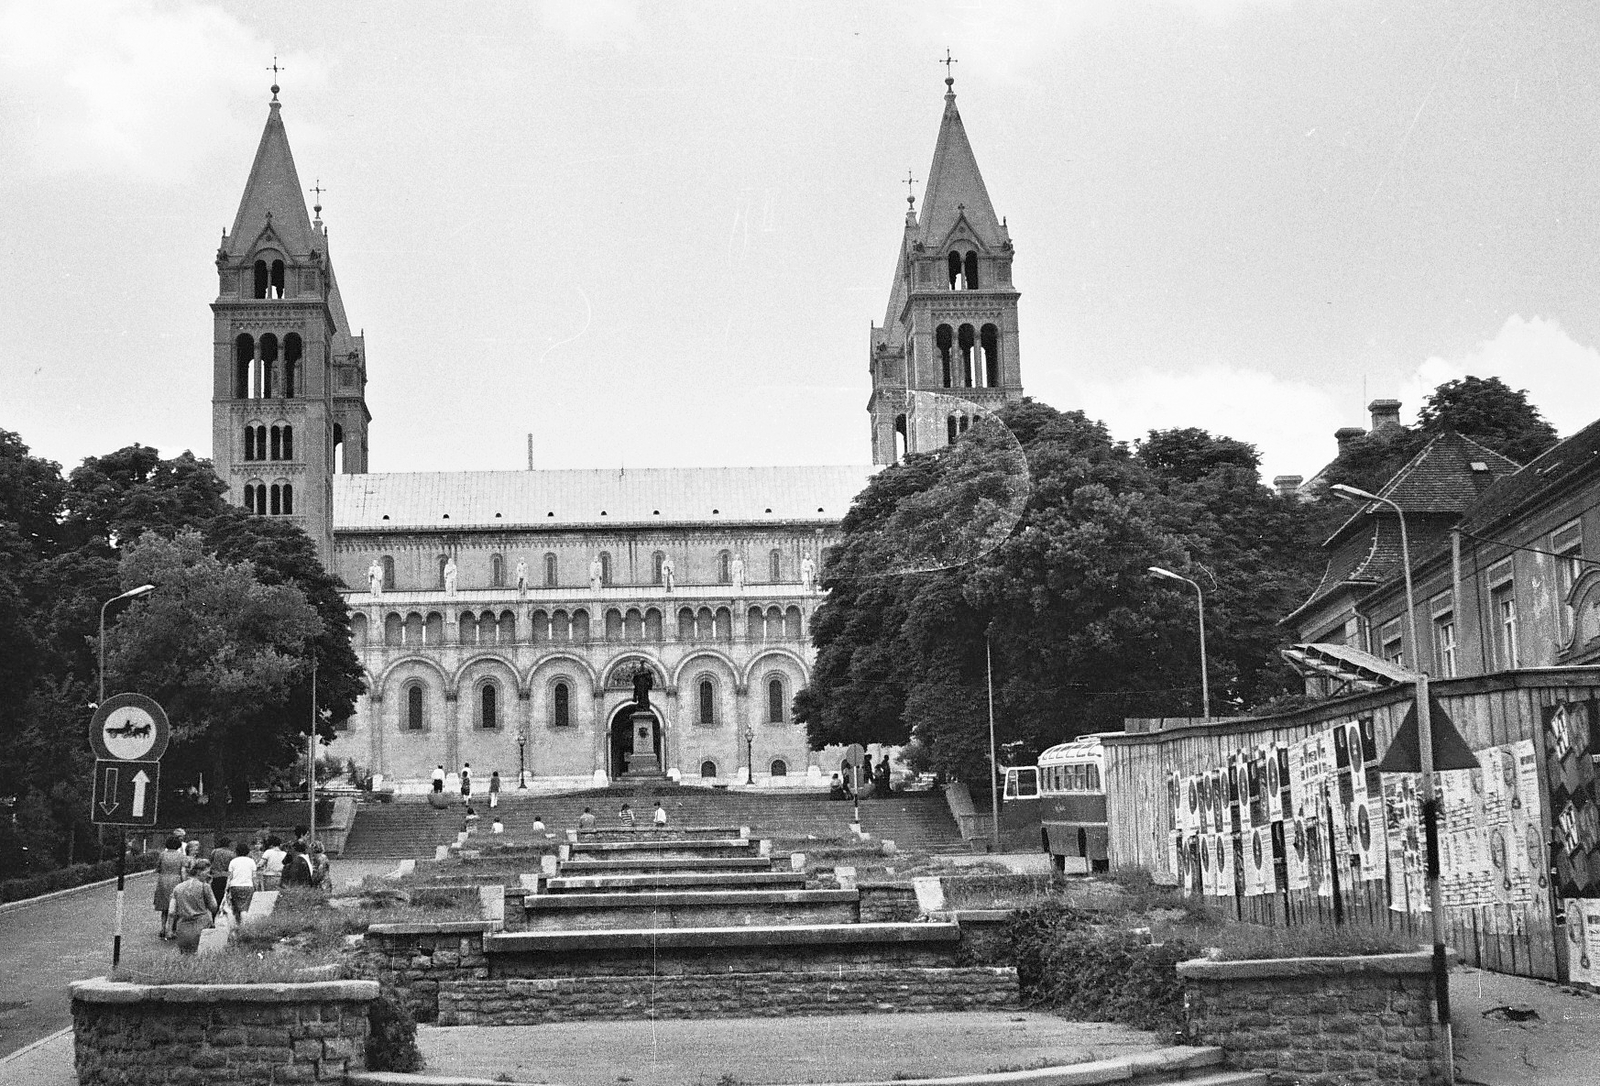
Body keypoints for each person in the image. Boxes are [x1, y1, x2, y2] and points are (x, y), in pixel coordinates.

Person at [169, 860, 217, 954]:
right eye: (207, 872)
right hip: (202, 927)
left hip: (183, 929)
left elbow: (171, 912)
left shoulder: (178, 888)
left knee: (186, 956)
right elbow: (213, 907)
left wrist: (169, 930)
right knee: (202, 956)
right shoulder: (204, 886)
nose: (209, 875)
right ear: (199, 872)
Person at [153, 836, 187, 939]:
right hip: (176, 880)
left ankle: (163, 928)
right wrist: (184, 882)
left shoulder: (162, 855)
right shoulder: (181, 856)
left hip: (163, 880)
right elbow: (183, 871)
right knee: (174, 906)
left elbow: (158, 868)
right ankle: (171, 929)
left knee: (164, 907)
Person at [226, 847, 257, 923]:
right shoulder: (251, 861)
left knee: (236, 908)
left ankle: (237, 924)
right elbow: (254, 877)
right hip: (248, 886)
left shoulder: (233, 861)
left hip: (235, 886)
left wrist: (226, 888)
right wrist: (256, 887)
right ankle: (244, 926)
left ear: (236, 852)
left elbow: (230, 876)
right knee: (244, 908)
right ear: (247, 852)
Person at [208, 837, 236, 915]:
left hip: (215, 876)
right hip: (226, 876)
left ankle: (214, 914)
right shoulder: (231, 854)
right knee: (225, 897)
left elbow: (210, 862)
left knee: (216, 896)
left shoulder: (214, 852)